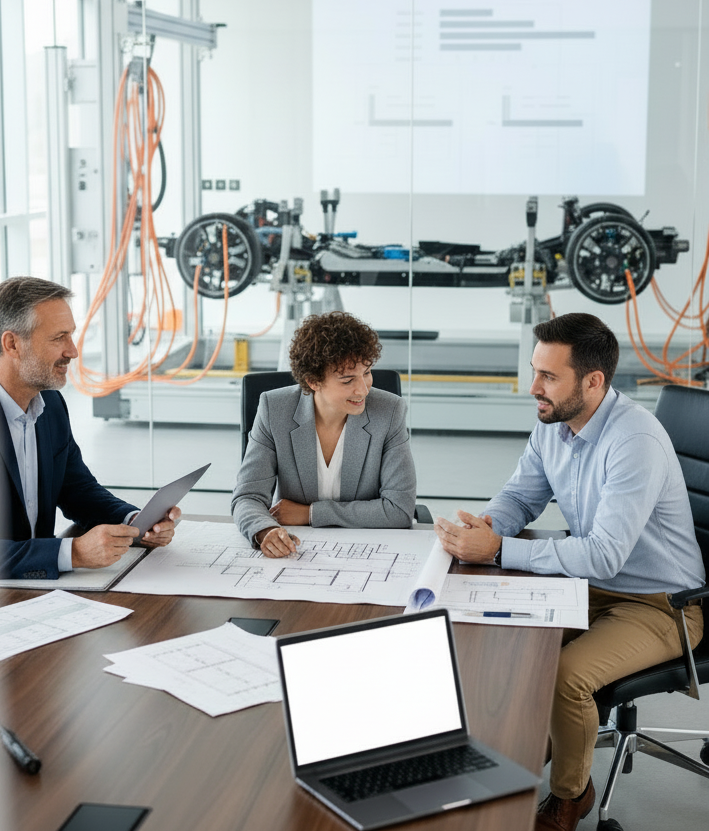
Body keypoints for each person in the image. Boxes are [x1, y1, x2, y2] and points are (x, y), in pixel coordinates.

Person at [435, 313, 704, 831]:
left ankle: (570, 798)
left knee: (566, 677)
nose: (533, 387)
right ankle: (509, 762)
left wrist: (498, 551)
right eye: (534, 371)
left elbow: (603, 555)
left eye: (548, 376)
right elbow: (520, 496)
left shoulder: (634, 442)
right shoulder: (555, 425)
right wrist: (487, 526)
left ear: (593, 381)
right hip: (587, 588)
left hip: (660, 605)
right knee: (502, 642)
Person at [0, 276, 180, 580]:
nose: (73, 351)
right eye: (58, 338)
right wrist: (72, 553)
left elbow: (78, 490)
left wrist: (136, 523)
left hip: (36, 591)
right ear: (12, 344)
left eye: (71, 335)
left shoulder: (50, 404)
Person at [231, 311, 417, 557]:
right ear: (313, 382)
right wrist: (265, 530)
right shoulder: (274, 409)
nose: (363, 390)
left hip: (368, 549)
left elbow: (399, 510)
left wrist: (310, 513)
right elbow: (247, 496)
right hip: (300, 551)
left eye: (367, 373)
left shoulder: (390, 411)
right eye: (348, 380)